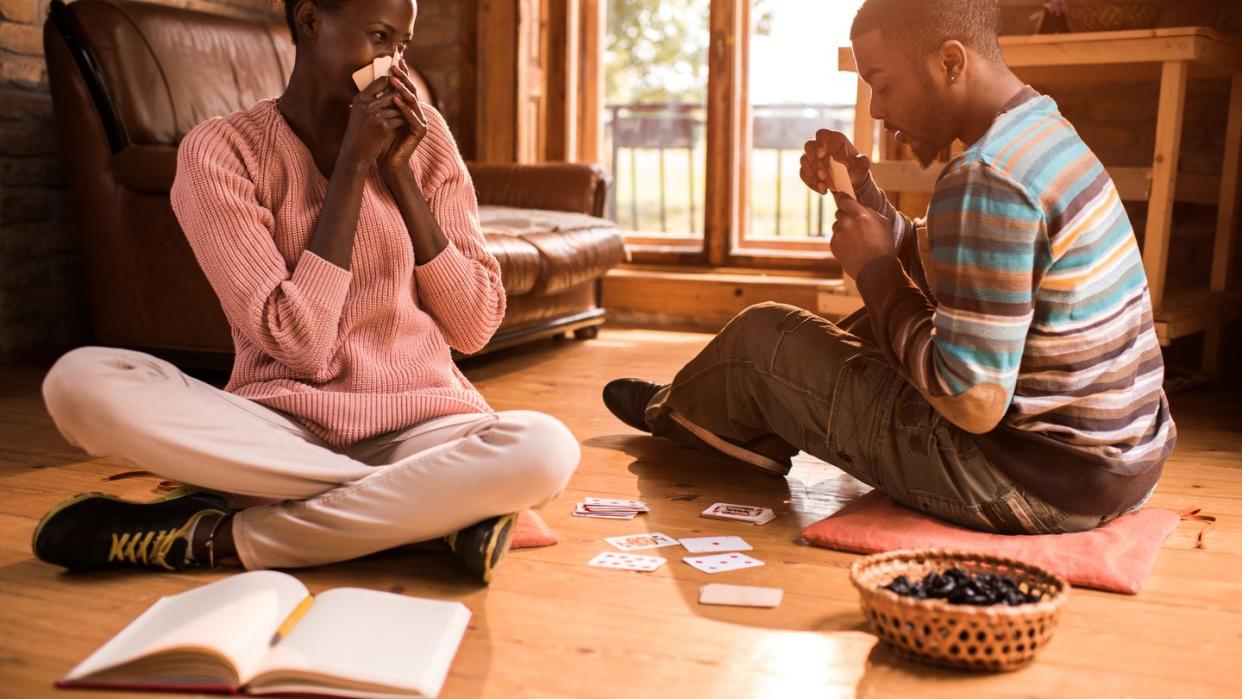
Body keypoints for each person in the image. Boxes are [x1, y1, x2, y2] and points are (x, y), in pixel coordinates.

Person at [32, 0, 579, 583]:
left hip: (423, 424)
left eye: (403, 44)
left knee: (545, 448)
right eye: (377, 36)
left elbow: (474, 325)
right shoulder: (219, 152)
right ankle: (428, 511)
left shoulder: (426, 139)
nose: (392, 62)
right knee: (80, 383)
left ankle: (222, 537)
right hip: (280, 429)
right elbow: (301, 346)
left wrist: (399, 177)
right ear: (311, 21)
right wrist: (351, 168)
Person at [603, 0, 1174, 535]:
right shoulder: (1039, 130)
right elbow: (970, 271)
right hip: (1117, 465)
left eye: (882, 82)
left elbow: (973, 402)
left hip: (1025, 483)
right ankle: (709, 404)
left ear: (950, 61)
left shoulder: (986, 175)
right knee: (860, 329)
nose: (876, 107)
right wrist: (868, 200)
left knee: (762, 335)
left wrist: (875, 269)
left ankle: (686, 412)